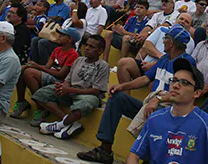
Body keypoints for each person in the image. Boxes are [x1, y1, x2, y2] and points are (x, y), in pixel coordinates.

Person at [77, 24, 196, 163]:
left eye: (165, 38)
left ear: (172, 43)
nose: (163, 41)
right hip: (151, 105)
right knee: (117, 98)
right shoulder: (164, 59)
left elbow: (183, 93)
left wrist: (157, 99)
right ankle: (105, 150)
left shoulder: (186, 62)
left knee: (154, 113)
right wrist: (122, 86)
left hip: (168, 110)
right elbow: (145, 79)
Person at [127, 58, 208, 164]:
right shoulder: (154, 119)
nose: (176, 86)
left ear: (197, 93)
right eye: (174, 80)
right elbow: (134, 154)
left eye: (184, 83)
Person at [34, 35, 110, 139]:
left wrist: (69, 89)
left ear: (100, 51)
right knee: (42, 94)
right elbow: (68, 80)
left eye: (92, 47)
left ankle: (59, 125)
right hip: (71, 92)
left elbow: (96, 91)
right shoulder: (79, 60)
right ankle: (70, 123)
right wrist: (62, 88)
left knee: (86, 103)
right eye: (86, 45)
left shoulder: (103, 66)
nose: (87, 48)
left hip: (87, 94)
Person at [11, 28, 80, 126]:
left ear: (69, 40)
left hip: (58, 80)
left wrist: (38, 67)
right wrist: (31, 65)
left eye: (62, 35)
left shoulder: (73, 54)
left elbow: (61, 74)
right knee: (23, 69)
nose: (58, 36)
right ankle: (21, 101)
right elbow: (47, 67)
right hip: (49, 75)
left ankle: (41, 108)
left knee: (29, 73)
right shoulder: (57, 50)